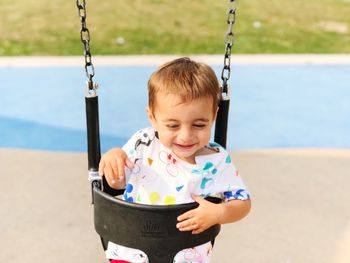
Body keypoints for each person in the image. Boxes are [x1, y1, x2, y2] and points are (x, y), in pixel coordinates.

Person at [98, 57, 251, 263]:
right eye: (172, 125)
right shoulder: (144, 143)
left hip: (186, 256)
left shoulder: (217, 160)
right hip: (132, 252)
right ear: (152, 117)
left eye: (198, 125)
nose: (186, 136)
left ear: (213, 116)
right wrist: (113, 156)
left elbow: (242, 202)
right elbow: (118, 180)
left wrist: (219, 213)